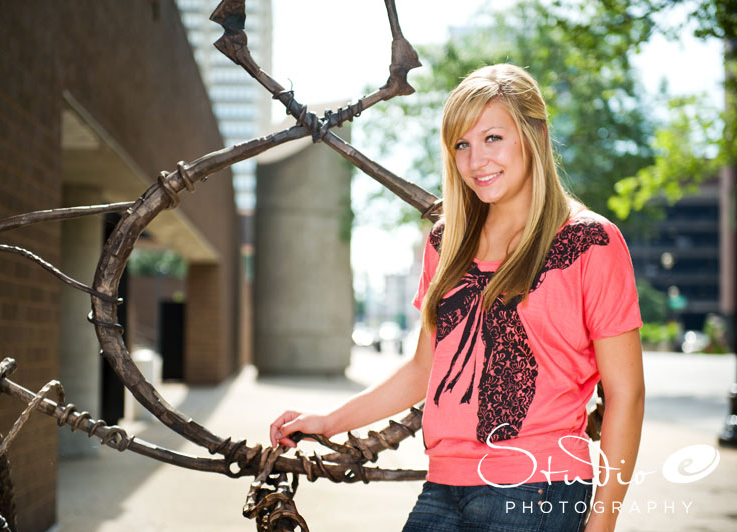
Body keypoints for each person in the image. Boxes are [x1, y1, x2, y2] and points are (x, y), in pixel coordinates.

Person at [270, 63, 644, 532]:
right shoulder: (447, 242)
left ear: (536, 135)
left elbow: (626, 395)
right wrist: (329, 420)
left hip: (541, 486)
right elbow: (424, 370)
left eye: (492, 139)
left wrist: (603, 525)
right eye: (461, 145)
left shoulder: (592, 241)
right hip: (444, 486)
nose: (475, 161)